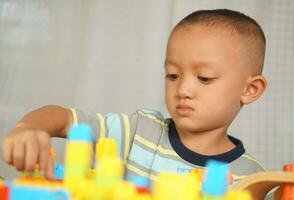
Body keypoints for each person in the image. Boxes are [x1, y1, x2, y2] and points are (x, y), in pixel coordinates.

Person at [1, 9, 267, 186]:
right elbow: (63, 118)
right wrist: (29, 127)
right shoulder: (138, 131)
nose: (183, 89)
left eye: (204, 78)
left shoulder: (253, 178)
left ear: (250, 89)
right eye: (173, 75)